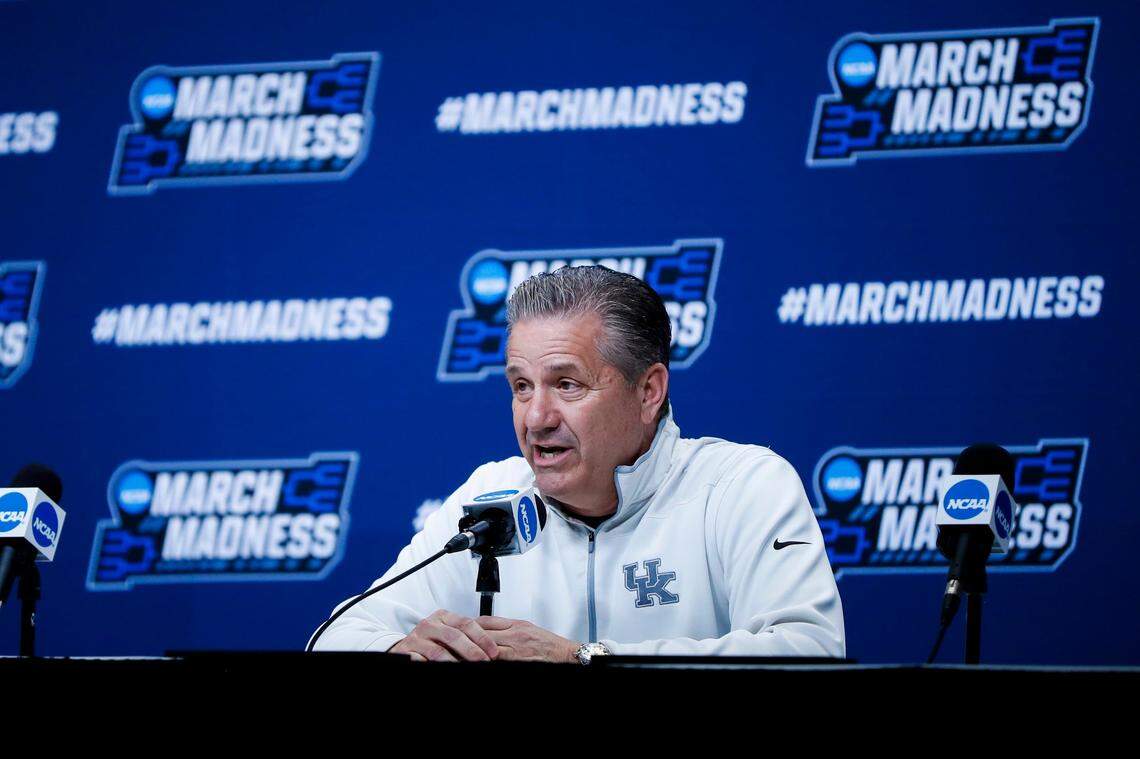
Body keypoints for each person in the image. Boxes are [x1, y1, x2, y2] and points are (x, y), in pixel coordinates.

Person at [310, 266, 844, 662]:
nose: (536, 417)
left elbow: (809, 652)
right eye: (521, 386)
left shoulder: (741, 485)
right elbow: (335, 636)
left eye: (567, 384)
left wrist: (585, 659)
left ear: (649, 390)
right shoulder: (494, 493)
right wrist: (401, 650)